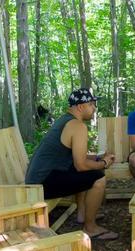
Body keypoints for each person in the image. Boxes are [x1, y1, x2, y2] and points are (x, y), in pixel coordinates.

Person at [25, 88, 118, 240]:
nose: (94, 108)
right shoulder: (77, 126)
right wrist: (103, 163)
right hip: (40, 184)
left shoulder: (65, 120)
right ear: (81, 106)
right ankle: (90, 227)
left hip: (40, 178)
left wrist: (97, 157)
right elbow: (81, 164)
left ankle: (82, 214)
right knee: (98, 178)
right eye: (92, 105)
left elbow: (76, 156)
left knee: (83, 172)